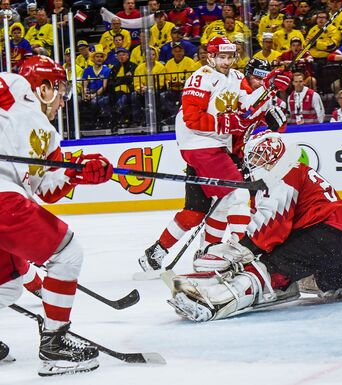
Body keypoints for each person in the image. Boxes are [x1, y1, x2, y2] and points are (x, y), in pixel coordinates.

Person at [165, 132, 342, 322]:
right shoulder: (297, 172)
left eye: (258, 157)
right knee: (325, 281)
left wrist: (239, 250)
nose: (254, 163)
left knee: (267, 268)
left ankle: (214, 300)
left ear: (272, 156)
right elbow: (283, 227)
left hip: (328, 236)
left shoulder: (284, 171)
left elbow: (272, 223)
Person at [137, 36, 292, 272]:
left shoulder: (237, 78)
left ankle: (184, 253)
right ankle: (243, 256)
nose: (227, 61)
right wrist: (225, 124)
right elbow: (192, 118)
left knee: (198, 211)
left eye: (230, 57)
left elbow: (248, 106)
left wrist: (268, 90)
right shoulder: (201, 78)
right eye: (222, 56)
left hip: (219, 150)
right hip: (201, 145)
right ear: (210, 56)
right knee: (239, 195)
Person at [0, 55, 113, 375]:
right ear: (44, 87)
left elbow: (46, 190)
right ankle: (55, 346)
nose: (63, 98)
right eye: (60, 89)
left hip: (8, 197)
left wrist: (80, 173)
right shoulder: (16, 87)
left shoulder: (47, 137)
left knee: (7, 285)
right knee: (67, 252)